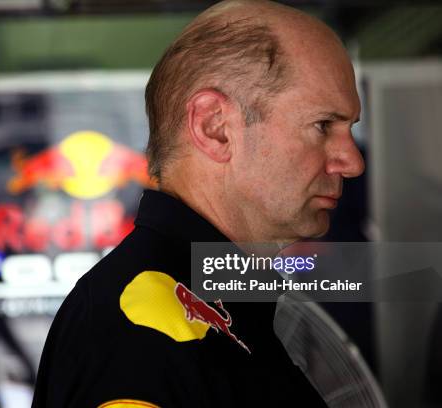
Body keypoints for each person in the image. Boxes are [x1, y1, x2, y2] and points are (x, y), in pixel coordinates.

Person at [32, 0, 364, 406]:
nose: (353, 162)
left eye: (349, 129)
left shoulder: (213, 313)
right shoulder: (143, 329)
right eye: (323, 125)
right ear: (215, 128)